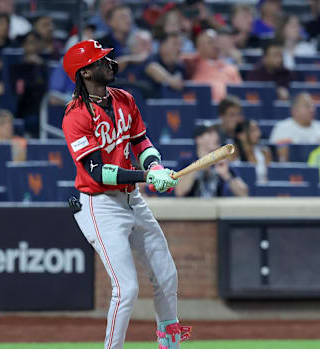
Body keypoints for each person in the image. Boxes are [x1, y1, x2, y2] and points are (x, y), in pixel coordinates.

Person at [61, 40, 191, 349]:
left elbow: (141, 142)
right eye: (99, 60)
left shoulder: (124, 99)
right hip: (100, 205)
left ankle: (170, 344)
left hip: (132, 199)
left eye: (106, 58)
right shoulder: (75, 115)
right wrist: (148, 177)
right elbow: (97, 172)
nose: (108, 63)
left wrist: (155, 165)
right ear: (84, 73)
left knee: (166, 275)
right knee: (126, 288)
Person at [176, 125, 249, 197]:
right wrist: (197, 167)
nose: (216, 137)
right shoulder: (186, 161)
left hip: (216, 207)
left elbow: (243, 193)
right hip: (192, 207)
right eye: (209, 133)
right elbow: (179, 191)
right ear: (198, 139)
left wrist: (227, 175)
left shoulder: (221, 161)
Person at [183, 29, 243, 102]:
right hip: (202, 108)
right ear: (199, 47)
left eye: (216, 42)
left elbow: (240, 93)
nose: (215, 45)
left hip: (226, 109)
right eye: (210, 42)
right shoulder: (192, 63)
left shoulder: (231, 68)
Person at [11, 31, 49, 136]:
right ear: (23, 46)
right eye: (30, 42)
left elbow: (48, 87)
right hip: (26, 110)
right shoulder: (17, 67)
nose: (33, 46)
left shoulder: (45, 65)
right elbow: (19, 91)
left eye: (36, 42)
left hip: (45, 107)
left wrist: (40, 66)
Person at [270, 92, 320, 161]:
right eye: (307, 106)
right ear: (294, 110)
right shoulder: (282, 128)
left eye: (312, 106)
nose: (312, 109)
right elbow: (279, 158)